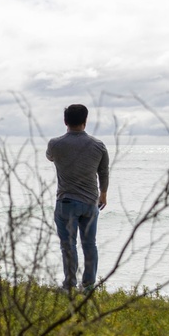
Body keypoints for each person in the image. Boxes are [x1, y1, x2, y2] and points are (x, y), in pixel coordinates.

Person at [46, 103, 110, 294]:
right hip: (91, 202)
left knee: (68, 245)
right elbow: (103, 171)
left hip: (66, 201)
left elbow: (50, 157)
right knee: (90, 244)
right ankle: (89, 285)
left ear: (65, 121)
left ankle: (69, 285)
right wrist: (103, 193)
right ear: (85, 120)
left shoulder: (55, 144)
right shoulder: (98, 145)